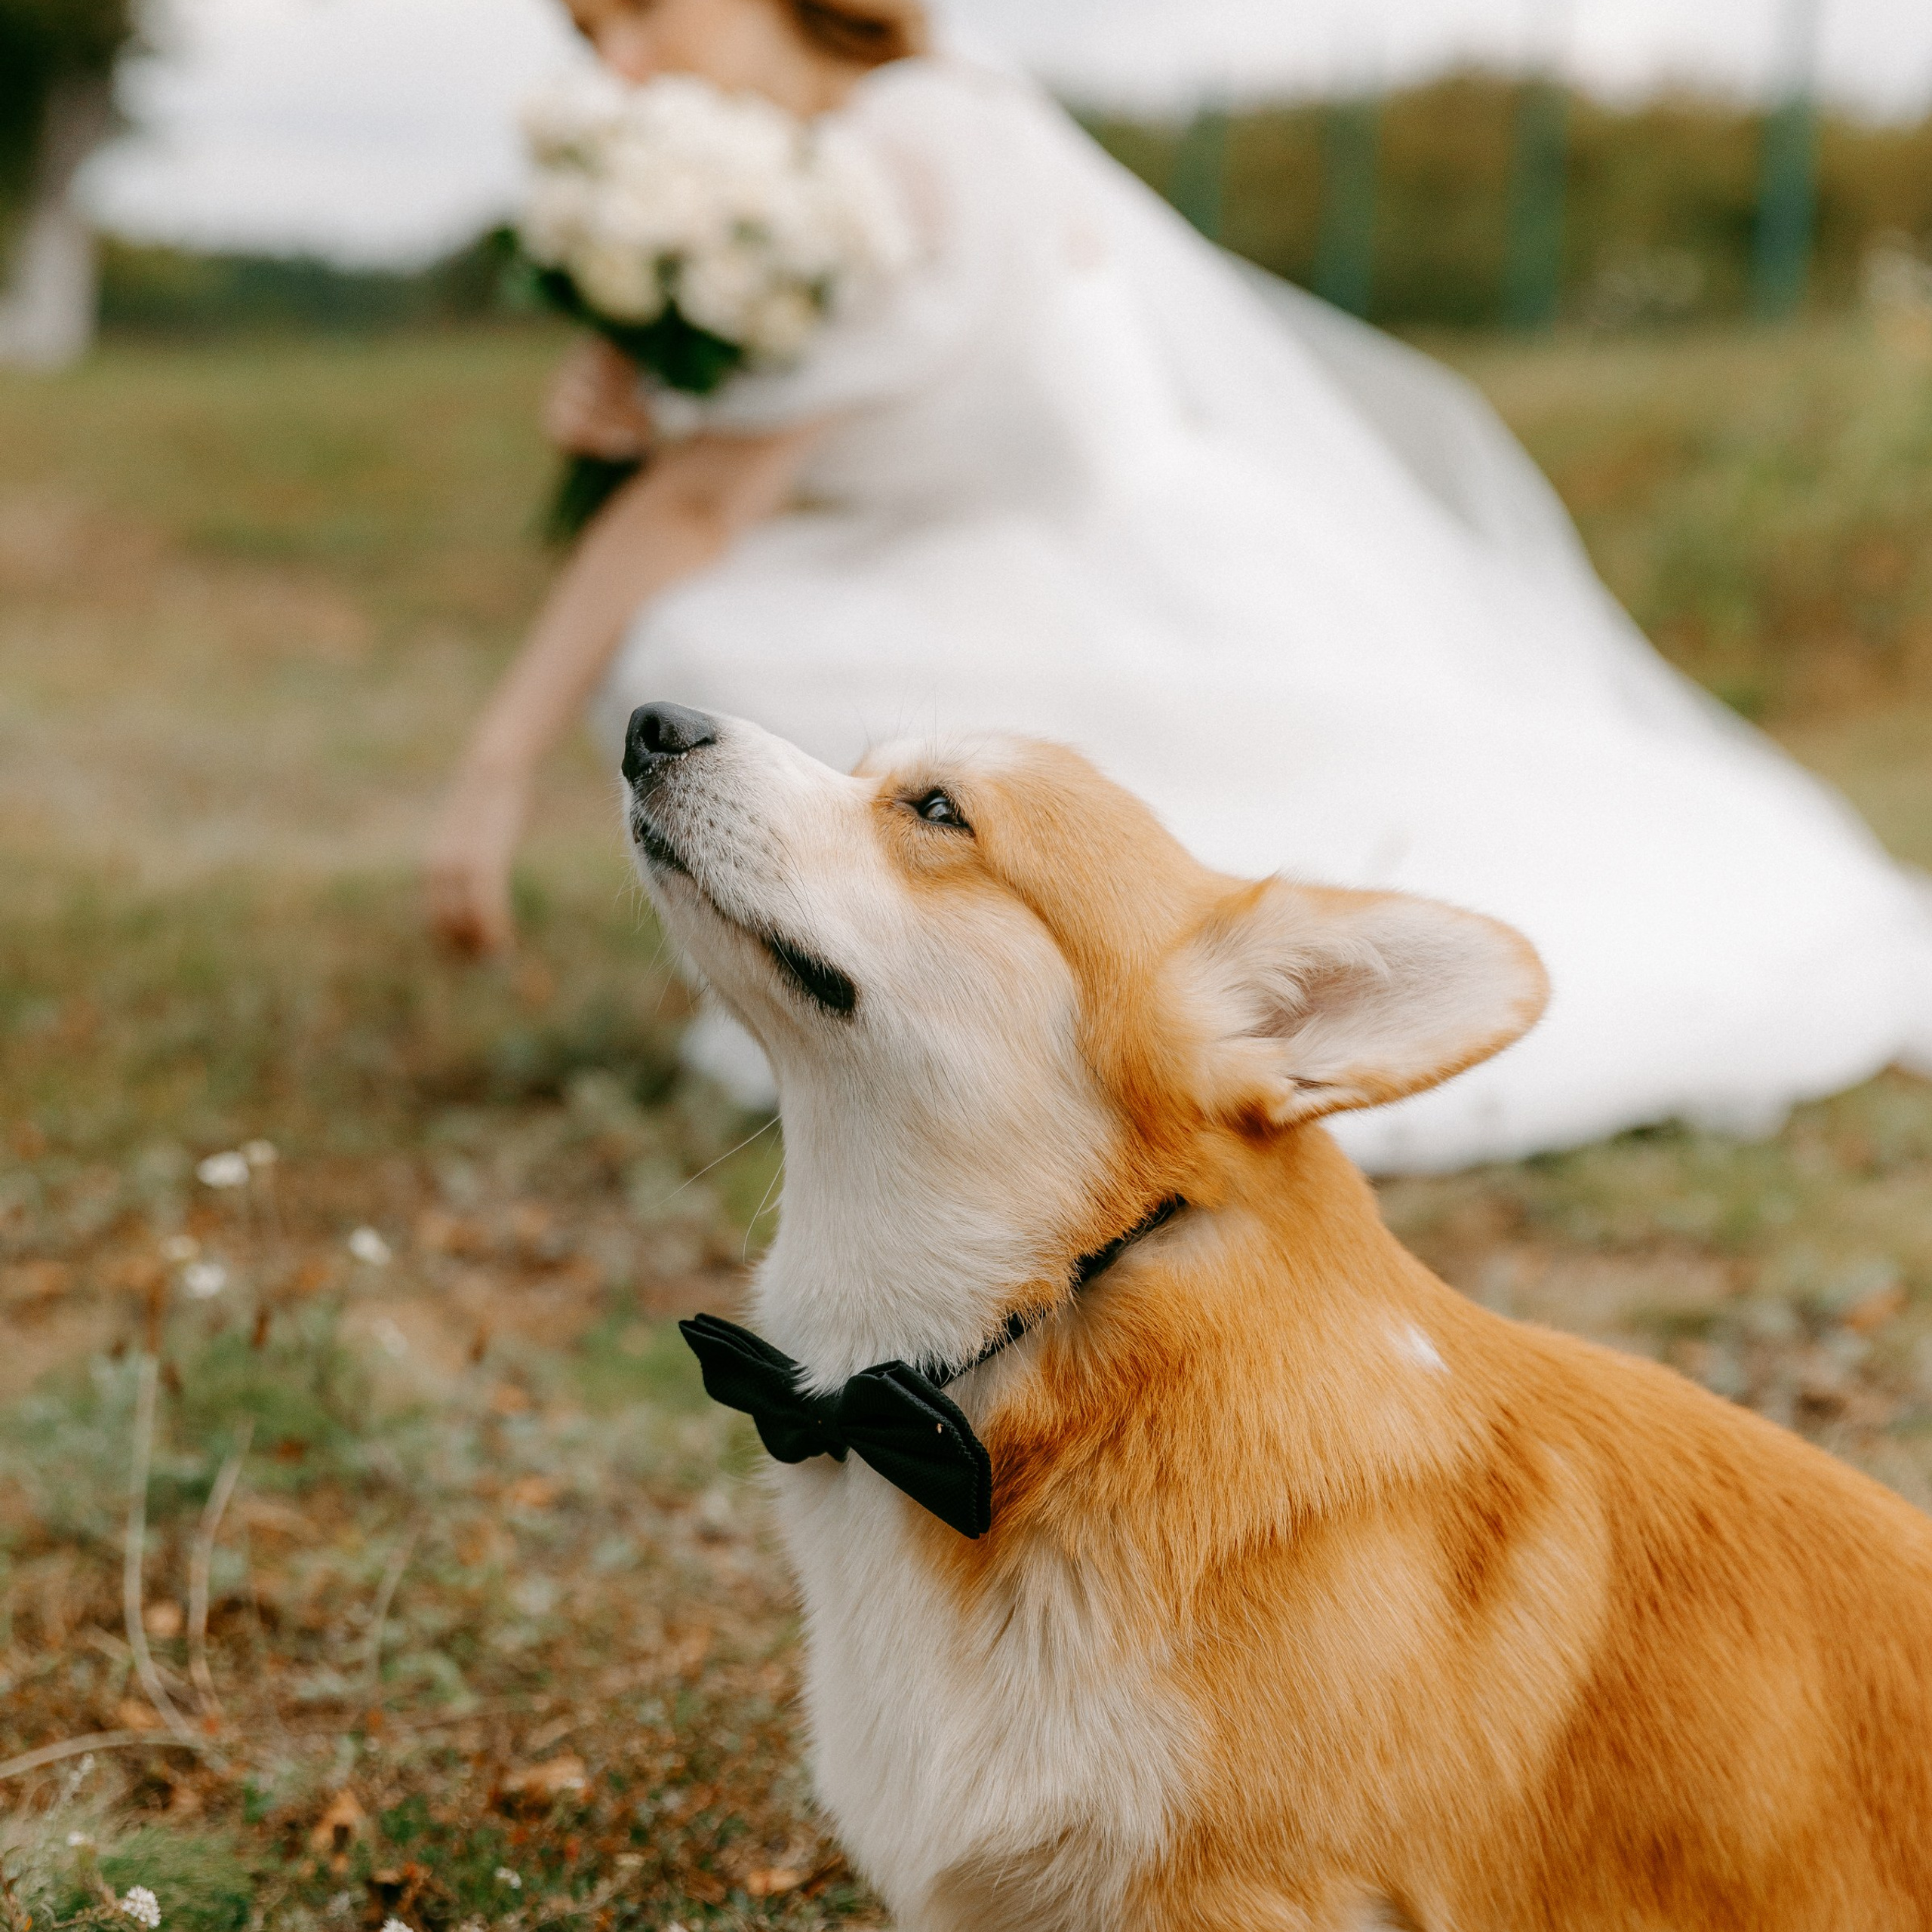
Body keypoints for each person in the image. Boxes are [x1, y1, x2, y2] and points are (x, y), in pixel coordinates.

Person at [427, 0, 1932, 1174]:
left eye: (643, 14)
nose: (623, 66)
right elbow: (753, 454)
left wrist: (495, 762)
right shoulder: (908, 127)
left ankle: (962, 993)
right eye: (589, 39)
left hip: (1081, 561)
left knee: (712, 624)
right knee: (747, 616)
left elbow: (704, 500)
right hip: (1024, 538)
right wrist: (633, 392)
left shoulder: (893, 152)